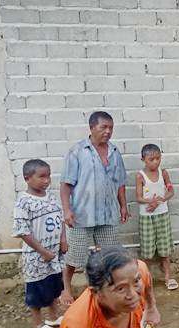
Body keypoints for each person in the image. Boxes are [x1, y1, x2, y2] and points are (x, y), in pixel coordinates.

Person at [59, 111, 128, 304]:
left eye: (111, 128)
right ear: (92, 128)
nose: (108, 131)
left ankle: (107, 288)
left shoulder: (115, 152)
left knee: (110, 254)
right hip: (81, 214)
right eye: (103, 127)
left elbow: (120, 182)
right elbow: (65, 184)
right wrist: (67, 210)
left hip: (108, 214)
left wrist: (123, 205)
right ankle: (66, 289)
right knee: (75, 255)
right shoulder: (77, 151)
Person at [11, 159, 68, 328]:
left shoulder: (50, 196)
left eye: (48, 176)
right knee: (36, 289)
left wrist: (63, 239)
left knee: (53, 284)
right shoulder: (24, 202)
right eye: (41, 177)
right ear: (27, 178)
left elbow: (60, 218)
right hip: (37, 256)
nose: (46, 180)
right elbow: (23, 231)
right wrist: (42, 251)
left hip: (54, 253)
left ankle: (53, 316)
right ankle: (37, 324)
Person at [135, 144, 177, 290]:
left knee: (165, 249)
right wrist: (150, 202)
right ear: (143, 159)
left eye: (158, 158)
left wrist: (159, 200)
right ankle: (146, 280)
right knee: (147, 252)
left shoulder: (163, 173)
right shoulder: (140, 176)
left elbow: (171, 191)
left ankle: (168, 277)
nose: (155, 162)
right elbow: (139, 198)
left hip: (162, 215)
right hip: (147, 218)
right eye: (151, 159)